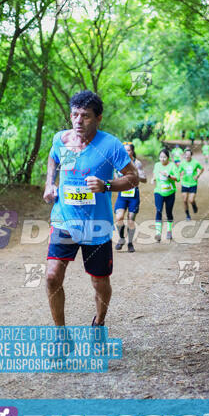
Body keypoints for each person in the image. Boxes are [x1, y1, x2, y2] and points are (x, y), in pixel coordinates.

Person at [43, 90, 139, 327]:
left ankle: (99, 321)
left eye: (85, 116)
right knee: (52, 276)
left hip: (96, 225)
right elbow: (52, 158)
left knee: (99, 282)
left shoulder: (111, 145)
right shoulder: (61, 139)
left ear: (98, 118)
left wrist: (107, 185)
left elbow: (133, 178)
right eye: (74, 114)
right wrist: (49, 184)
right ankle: (61, 333)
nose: (77, 121)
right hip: (64, 220)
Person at [114, 142, 147, 253]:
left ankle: (130, 243)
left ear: (132, 151)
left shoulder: (137, 163)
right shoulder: (118, 163)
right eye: (124, 150)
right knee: (119, 218)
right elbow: (113, 179)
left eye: (128, 150)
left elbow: (145, 179)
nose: (126, 152)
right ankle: (122, 238)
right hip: (122, 195)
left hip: (133, 195)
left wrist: (136, 175)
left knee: (131, 220)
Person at [151, 148, 178, 242]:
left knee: (168, 212)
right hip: (158, 192)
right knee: (158, 210)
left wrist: (169, 176)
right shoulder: (157, 165)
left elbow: (177, 178)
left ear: (168, 158)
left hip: (170, 192)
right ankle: (158, 233)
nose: (162, 159)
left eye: (164, 157)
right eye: (161, 157)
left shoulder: (172, 166)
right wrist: (153, 179)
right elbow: (155, 174)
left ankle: (169, 231)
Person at [178, 148, 204, 220]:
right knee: (184, 200)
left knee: (191, 200)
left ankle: (194, 206)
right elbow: (178, 172)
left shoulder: (195, 162)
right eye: (186, 155)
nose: (187, 156)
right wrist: (180, 174)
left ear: (191, 155)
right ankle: (188, 215)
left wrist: (198, 175)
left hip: (193, 184)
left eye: (189, 155)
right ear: (184, 155)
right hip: (184, 183)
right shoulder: (182, 163)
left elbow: (202, 169)